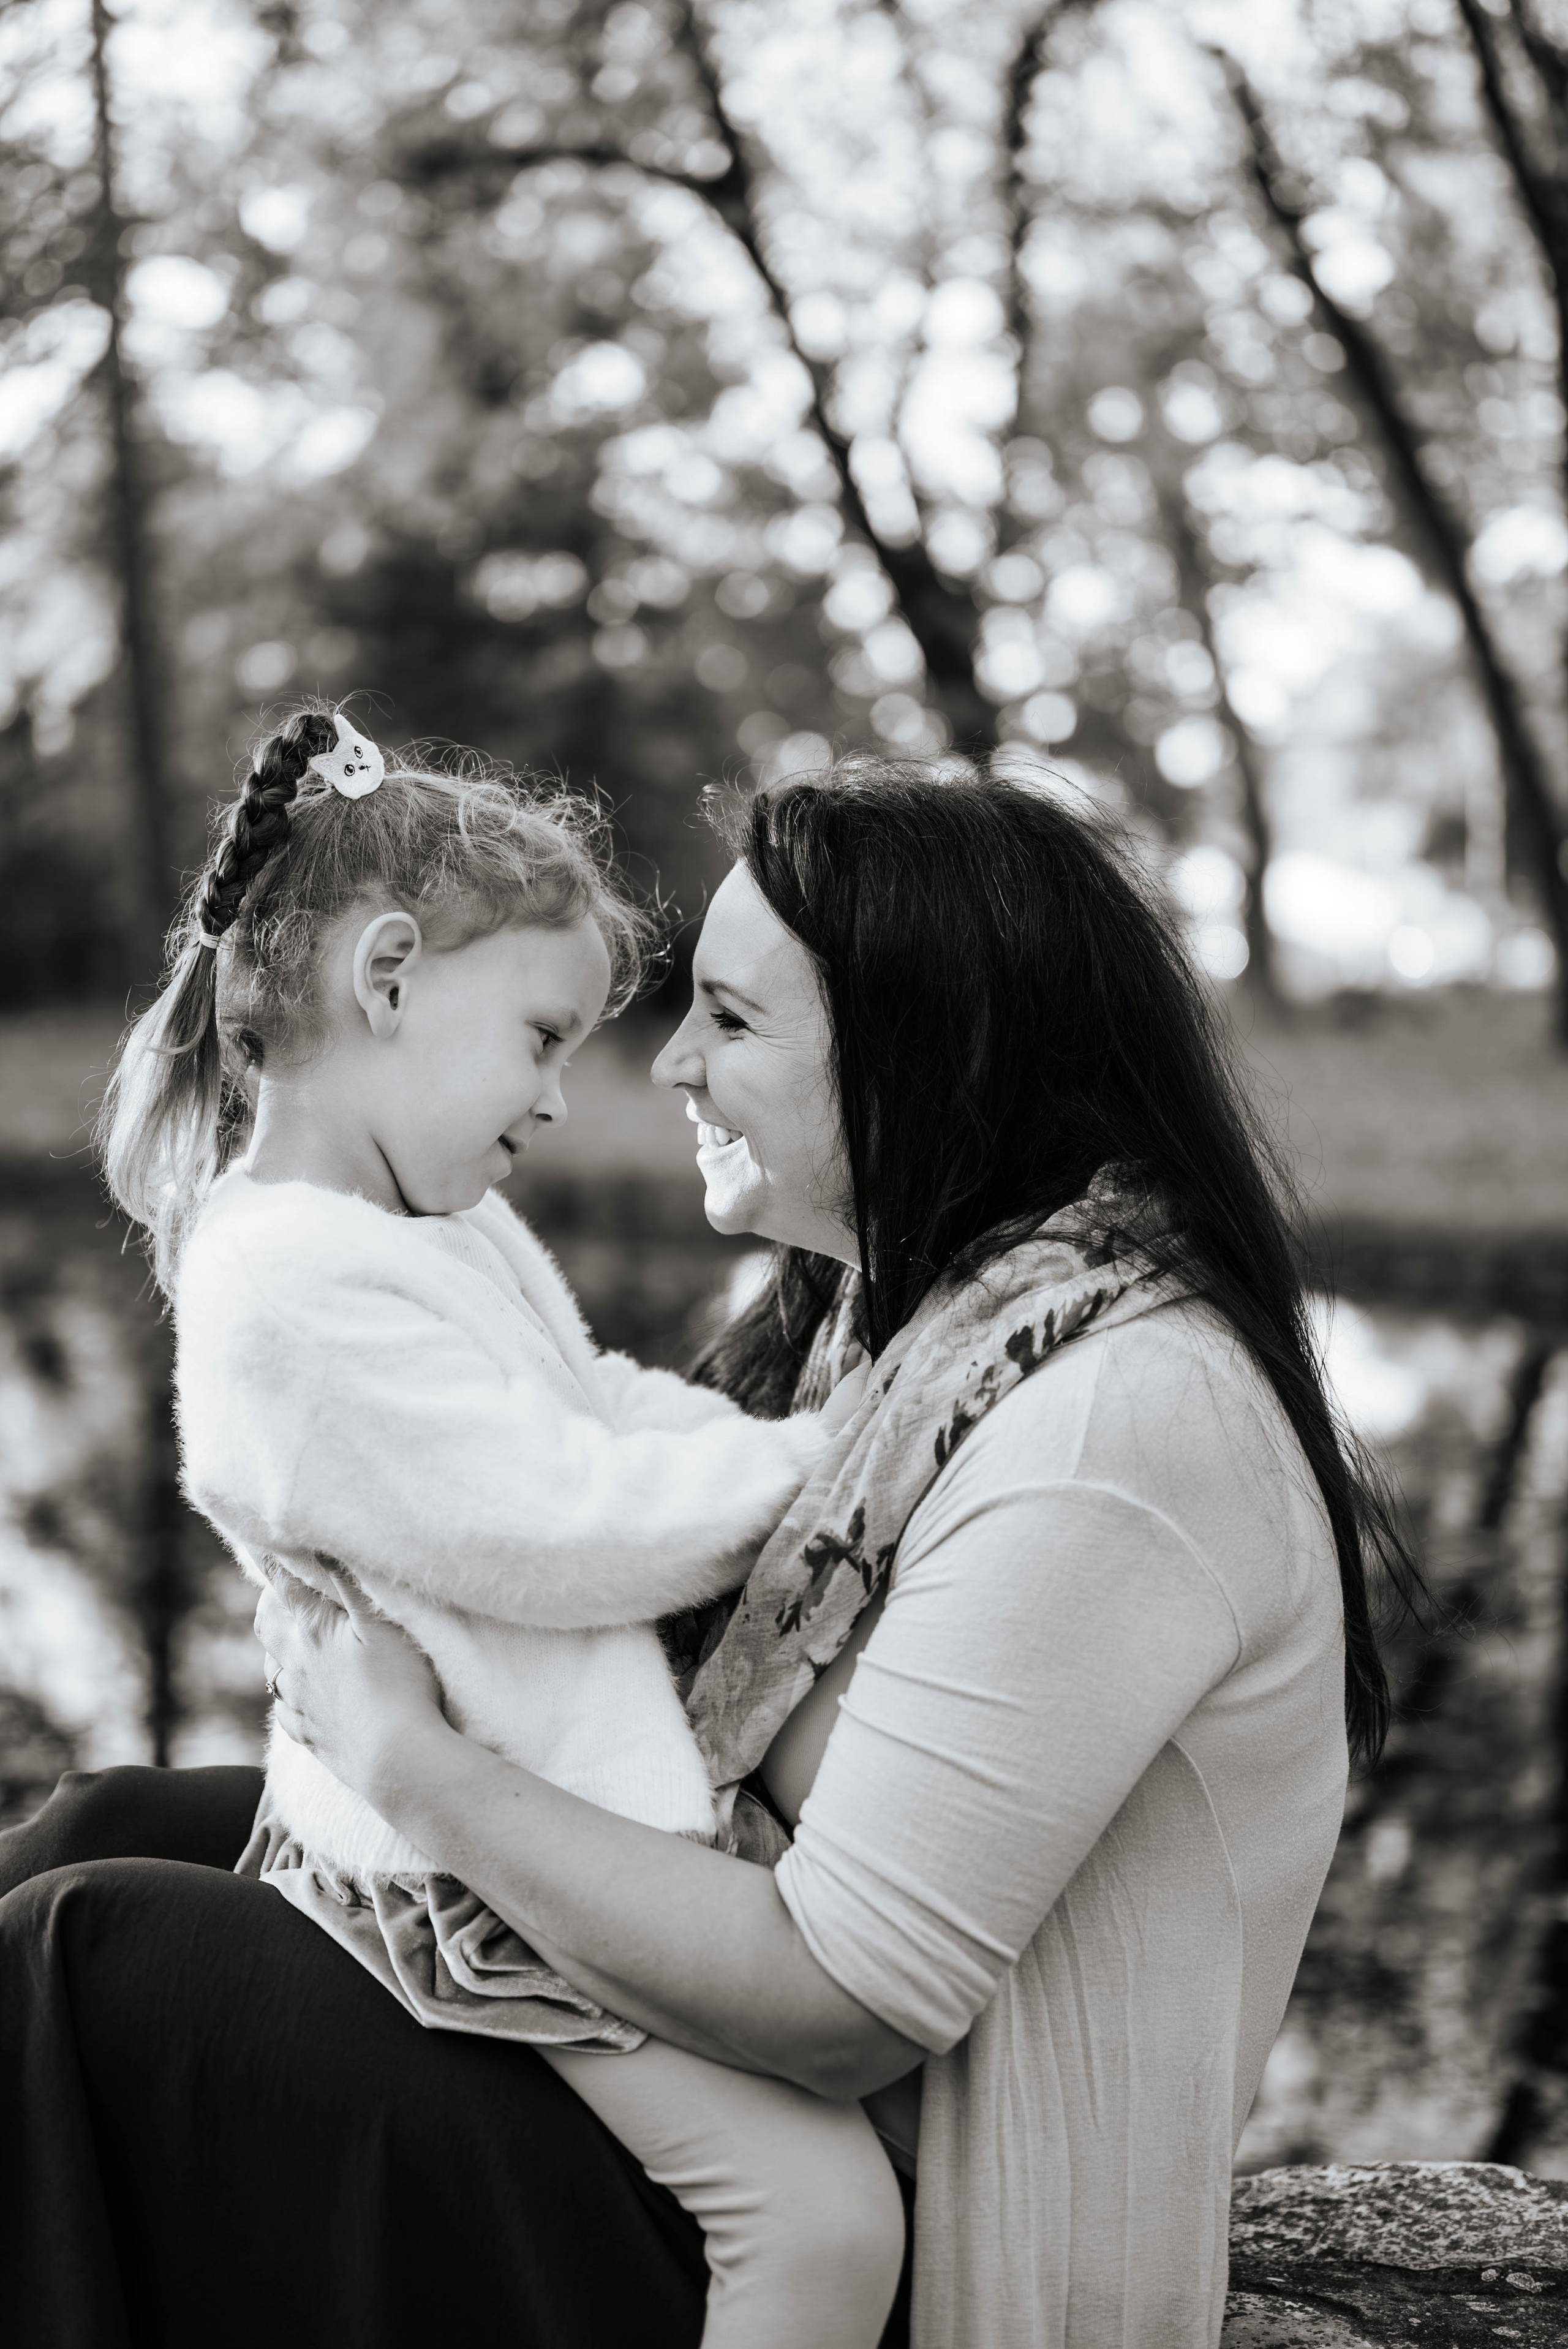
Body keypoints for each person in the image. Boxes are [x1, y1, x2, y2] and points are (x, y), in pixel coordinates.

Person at [0, 754, 1415, 2349]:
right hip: (727, 2057)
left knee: (83, 1955)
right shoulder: (907, 1327)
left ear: (925, 1055)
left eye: (732, 1021)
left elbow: (839, 2009)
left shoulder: (1113, 1422)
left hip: (899, 2246)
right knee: (101, 1821)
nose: (663, 1058)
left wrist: (411, 1760)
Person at [94, 704, 905, 2349]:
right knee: (817, 2223)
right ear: (387, 979)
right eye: (541, 1035)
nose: (557, 1098)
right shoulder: (287, 1291)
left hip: (536, 1815)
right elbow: (560, 1520)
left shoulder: (410, 1226)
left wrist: (796, 1439)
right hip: (459, 1882)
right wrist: (843, 1468)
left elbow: (595, 1406)